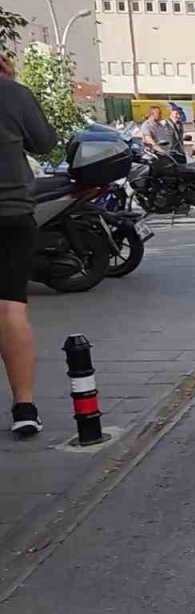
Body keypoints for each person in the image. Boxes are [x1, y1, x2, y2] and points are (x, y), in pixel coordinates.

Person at [0, 54, 57, 437]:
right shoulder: (13, 93)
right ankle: (24, 406)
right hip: (11, 213)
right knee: (9, 306)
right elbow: (45, 143)